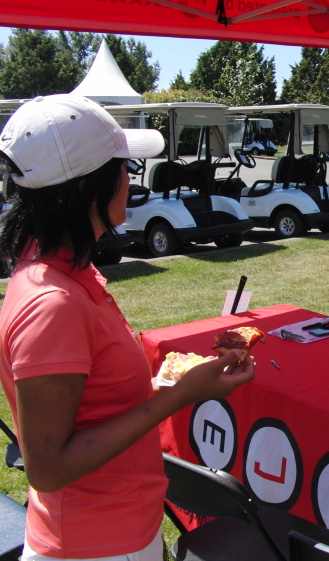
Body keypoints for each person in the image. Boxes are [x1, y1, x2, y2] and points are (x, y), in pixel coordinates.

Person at [0, 94, 255, 561]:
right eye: (123, 167)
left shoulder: (68, 273)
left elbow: (94, 403)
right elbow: (48, 468)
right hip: (95, 545)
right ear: (86, 187)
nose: (130, 179)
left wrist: (165, 384)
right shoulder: (53, 302)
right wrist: (181, 395)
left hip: (117, 530)